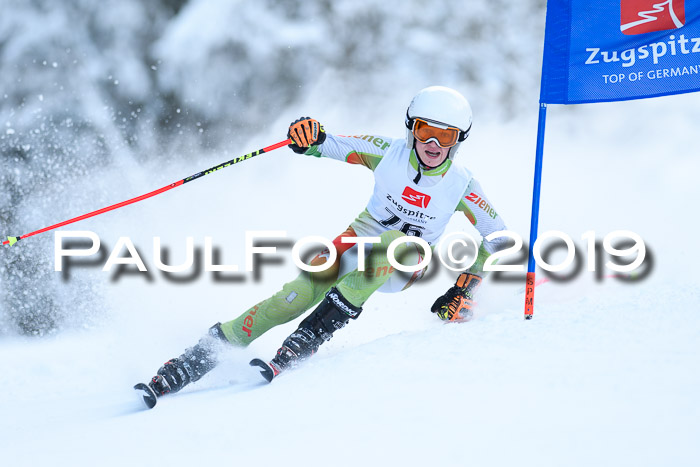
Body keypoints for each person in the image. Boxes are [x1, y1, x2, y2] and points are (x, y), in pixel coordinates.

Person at [142, 86, 508, 395]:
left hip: (403, 262)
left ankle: (311, 335)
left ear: (458, 140)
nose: (432, 143)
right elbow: (325, 143)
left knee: (392, 243)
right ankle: (199, 357)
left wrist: (468, 286)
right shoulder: (385, 152)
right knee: (292, 298)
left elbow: (497, 236)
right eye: (426, 130)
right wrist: (307, 135)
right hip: (356, 243)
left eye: (445, 135)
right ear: (412, 128)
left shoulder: (462, 184)